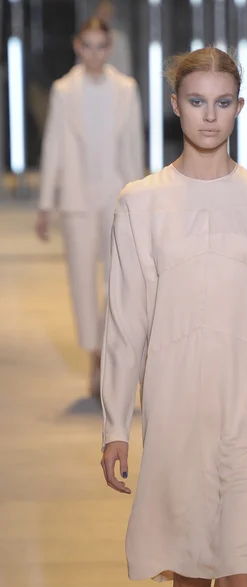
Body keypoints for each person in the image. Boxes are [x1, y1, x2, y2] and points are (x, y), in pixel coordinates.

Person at [101, 47, 247, 587]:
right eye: (196, 101)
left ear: (238, 108)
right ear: (175, 106)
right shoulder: (140, 203)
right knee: (189, 577)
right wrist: (115, 425)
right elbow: (125, 323)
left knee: (244, 578)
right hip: (178, 409)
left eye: (221, 102)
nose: (209, 116)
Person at [35, 17, 144, 398]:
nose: (95, 53)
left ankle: (115, 356)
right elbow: (52, 146)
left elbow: (133, 146)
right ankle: (95, 358)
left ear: (109, 48)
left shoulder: (126, 90)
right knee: (82, 281)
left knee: (121, 281)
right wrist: (46, 204)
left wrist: (141, 197)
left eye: (102, 46)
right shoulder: (63, 90)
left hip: (116, 195)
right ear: (77, 47)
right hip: (77, 199)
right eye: (88, 46)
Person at [94, 0, 133, 77]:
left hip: (114, 82)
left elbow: (124, 66)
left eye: (106, 13)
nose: (104, 16)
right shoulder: (88, 37)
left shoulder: (119, 38)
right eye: (102, 13)